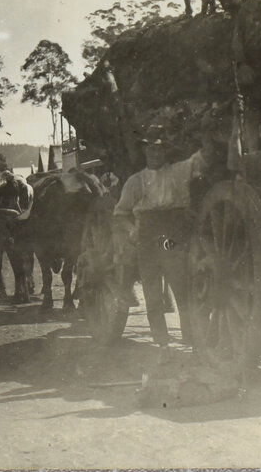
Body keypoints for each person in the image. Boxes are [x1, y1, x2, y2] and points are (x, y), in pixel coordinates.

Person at [113, 124, 214, 360]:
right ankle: (163, 345)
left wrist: (206, 134)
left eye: (159, 150)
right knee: (152, 293)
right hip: (147, 238)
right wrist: (131, 230)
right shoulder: (135, 181)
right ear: (145, 151)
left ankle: (192, 339)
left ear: (165, 152)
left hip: (172, 237)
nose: (154, 154)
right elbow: (120, 213)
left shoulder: (178, 171)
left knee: (181, 286)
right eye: (150, 149)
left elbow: (203, 159)